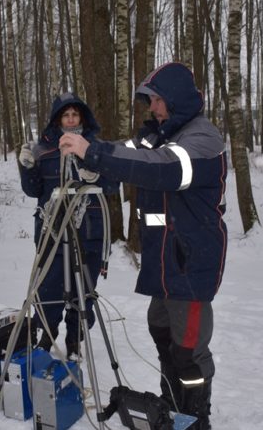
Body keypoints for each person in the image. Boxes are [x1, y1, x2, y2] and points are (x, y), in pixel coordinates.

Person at [58, 63, 227, 430]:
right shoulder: (160, 135)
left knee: (189, 350)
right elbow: (127, 152)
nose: (151, 109)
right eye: (149, 102)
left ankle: (196, 417)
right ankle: (173, 404)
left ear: (175, 100)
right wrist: (95, 160)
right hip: (166, 262)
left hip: (190, 264)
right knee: (160, 330)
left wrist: (93, 153)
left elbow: (162, 169)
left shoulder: (202, 140)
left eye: (156, 101)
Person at [18, 92, 119, 359]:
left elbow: (112, 186)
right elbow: (33, 190)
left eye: (75, 114)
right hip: (52, 230)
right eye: (66, 114)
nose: (71, 119)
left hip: (89, 231)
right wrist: (27, 167)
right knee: (48, 286)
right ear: (57, 119)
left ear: (83, 117)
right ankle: (46, 336)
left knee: (83, 289)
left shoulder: (96, 147)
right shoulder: (44, 149)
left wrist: (95, 173)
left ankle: (75, 339)